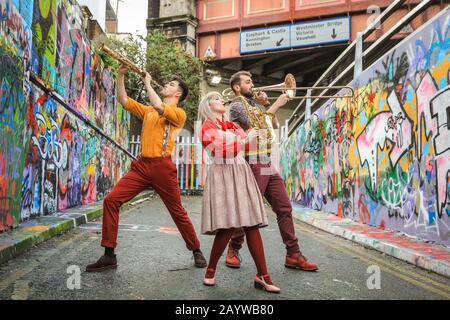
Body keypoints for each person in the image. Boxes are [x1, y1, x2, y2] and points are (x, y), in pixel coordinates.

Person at [86, 65, 207, 272]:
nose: (166, 85)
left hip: (162, 167)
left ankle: (196, 249)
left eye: (171, 84)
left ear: (177, 93)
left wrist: (147, 83)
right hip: (142, 165)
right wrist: (121, 75)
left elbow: (160, 107)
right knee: (111, 200)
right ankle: (109, 255)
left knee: (177, 211)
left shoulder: (178, 113)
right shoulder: (149, 110)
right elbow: (124, 101)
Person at [226, 70, 318, 271]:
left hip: (266, 160)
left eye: (251, 82)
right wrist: (275, 105)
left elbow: (273, 126)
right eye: (248, 82)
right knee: (251, 209)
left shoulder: (254, 105)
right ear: (237, 87)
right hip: (252, 161)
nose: (252, 85)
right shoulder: (235, 106)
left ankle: (293, 254)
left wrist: (268, 105)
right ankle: (233, 247)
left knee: (284, 207)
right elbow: (259, 127)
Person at [198, 92, 280, 293]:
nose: (221, 100)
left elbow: (253, 141)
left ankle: (263, 275)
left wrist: (259, 114)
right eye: (216, 98)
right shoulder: (206, 127)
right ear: (207, 106)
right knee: (227, 227)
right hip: (222, 173)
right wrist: (244, 141)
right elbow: (219, 150)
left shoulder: (232, 126)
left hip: (240, 170)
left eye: (220, 98)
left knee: (251, 224)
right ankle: (210, 269)